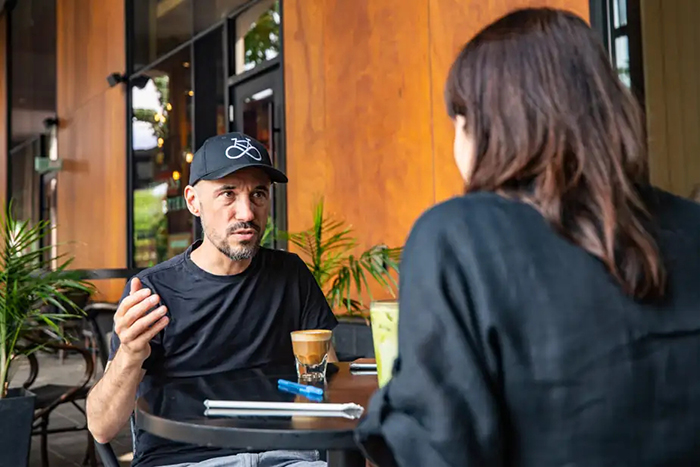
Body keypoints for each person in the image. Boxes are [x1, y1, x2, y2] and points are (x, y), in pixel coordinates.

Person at [355, 8, 700, 467]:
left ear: (482, 126)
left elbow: (437, 449)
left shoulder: (457, 238)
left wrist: (388, 406)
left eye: (457, 121)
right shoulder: (691, 226)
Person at [86, 132, 338, 467]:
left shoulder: (290, 274)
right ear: (193, 201)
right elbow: (102, 428)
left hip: (288, 456)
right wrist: (130, 355)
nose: (246, 213)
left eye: (258, 194)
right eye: (227, 194)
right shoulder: (151, 290)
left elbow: (329, 378)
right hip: (184, 459)